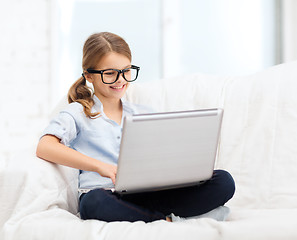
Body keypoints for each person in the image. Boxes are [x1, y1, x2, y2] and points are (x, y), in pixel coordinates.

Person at [36, 32, 235, 223]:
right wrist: (100, 166)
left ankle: (150, 215)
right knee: (94, 204)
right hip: (107, 195)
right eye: (110, 73)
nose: (120, 80)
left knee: (224, 181)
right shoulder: (78, 113)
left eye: (126, 71)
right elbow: (45, 146)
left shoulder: (143, 113)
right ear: (89, 75)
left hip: (150, 193)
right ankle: (165, 219)